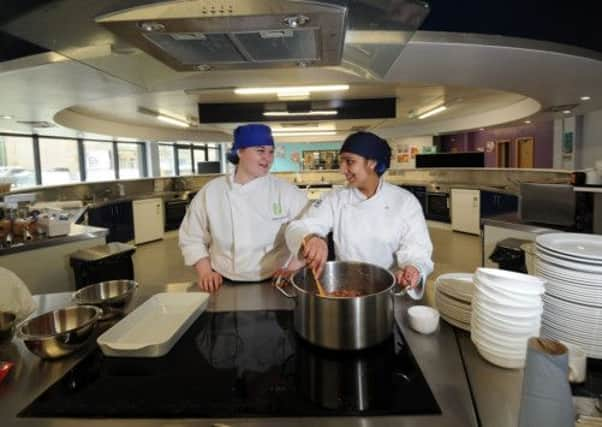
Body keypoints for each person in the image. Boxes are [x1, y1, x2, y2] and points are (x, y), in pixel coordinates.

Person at [284, 131, 433, 299]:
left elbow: (417, 248)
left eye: (349, 161)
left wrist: (414, 268)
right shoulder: (335, 198)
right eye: (341, 161)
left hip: (388, 292)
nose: (342, 169)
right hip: (344, 290)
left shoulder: (405, 201)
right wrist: (312, 238)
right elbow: (299, 227)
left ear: (372, 163)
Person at [179, 124, 308, 292]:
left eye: (271, 152)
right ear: (239, 151)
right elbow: (192, 237)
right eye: (260, 151)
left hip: (276, 282)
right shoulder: (212, 191)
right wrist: (205, 272)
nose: (267, 158)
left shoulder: (286, 192)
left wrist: (291, 269)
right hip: (221, 282)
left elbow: (308, 234)